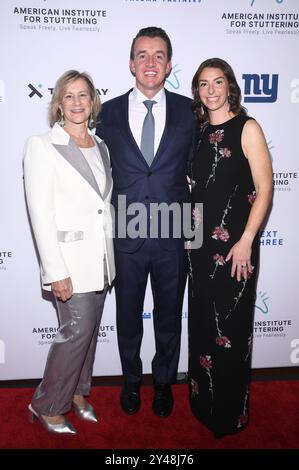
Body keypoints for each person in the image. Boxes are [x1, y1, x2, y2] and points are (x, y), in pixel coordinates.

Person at [96, 27, 196, 417]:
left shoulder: (192, 111)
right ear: (131, 64)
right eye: (142, 55)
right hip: (127, 233)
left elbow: (201, 175)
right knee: (127, 315)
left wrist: (196, 232)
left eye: (158, 55)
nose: (150, 62)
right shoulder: (107, 112)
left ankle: (164, 383)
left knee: (170, 316)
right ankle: (132, 381)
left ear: (169, 64)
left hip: (174, 234)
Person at [23, 70, 115, 434]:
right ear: (58, 103)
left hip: (101, 262)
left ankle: (77, 392)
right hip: (69, 264)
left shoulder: (101, 145)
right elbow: (40, 215)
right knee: (74, 334)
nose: (77, 103)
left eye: (84, 95)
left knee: (89, 335)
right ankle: (46, 404)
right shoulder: (42, 145)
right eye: (69, 96)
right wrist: (54, 270)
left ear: (93, 102)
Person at [187, 58, 273, 438]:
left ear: (229, 86)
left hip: (236, 248)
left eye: (217, 82)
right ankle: (202, 405)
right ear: (198, 91)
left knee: (232, 332)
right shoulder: (201, 130)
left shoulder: (247, 127)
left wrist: (247, 240)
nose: (211, 90)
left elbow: (265, 189)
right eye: (204, 84)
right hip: (199, 248)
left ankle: (228, 414)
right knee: (204, 327)